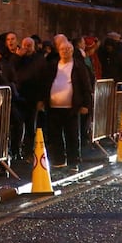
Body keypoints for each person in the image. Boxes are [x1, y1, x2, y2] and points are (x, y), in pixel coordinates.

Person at [43, 40, 93, 173]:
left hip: (72, 107)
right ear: (59, 51)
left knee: (72, 134)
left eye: (68, 49)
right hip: (54, 107)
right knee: (55, 135)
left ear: (72, 51)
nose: (65, 52)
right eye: (62, 49)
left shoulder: (78, 66)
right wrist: (42, 100)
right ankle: (59, 160)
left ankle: (73, 161)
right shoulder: (53, 66)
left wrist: (86, 105)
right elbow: (46, 83)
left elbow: (86, 87)